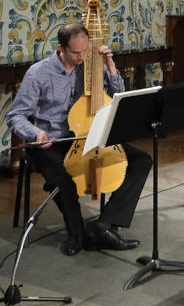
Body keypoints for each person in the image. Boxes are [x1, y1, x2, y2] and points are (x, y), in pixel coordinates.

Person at [7, 22, 152, 256]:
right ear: (60, 48)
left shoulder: (91, 66)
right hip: (54, 142)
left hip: (90, 136)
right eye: (76, 53)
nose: (82, 57)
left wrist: (111, 67)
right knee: (61, 176)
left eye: (86, 51)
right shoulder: (38, 73)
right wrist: (36, 133)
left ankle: (105, 226)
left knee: (141, 161)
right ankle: (77, 234)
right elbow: (16, 116)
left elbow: (117, 98)